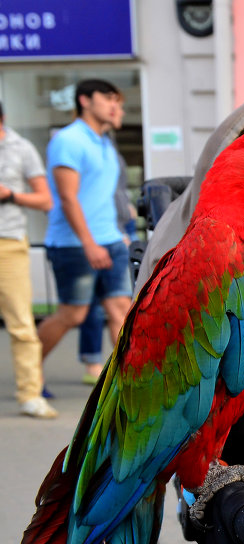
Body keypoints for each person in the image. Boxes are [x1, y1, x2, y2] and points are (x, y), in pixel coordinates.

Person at [37, 79, 132, 375]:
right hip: (74, 244)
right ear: (85, 100)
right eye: (107, 98)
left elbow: (107, 194)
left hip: (111, 240)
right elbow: (67, 197)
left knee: (122, 311)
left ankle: (126, 386)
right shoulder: (69, 140)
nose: (115, 105)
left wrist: (118, 235)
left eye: (118, 100)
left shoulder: (104, 142)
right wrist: (90, 243)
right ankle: (30, 371)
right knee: (73, 314)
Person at [0, 101, 58, 419]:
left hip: (8, 242)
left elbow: (44, 198)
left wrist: (9, 195)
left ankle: (30, 394)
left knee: (21, 323)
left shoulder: (21, 148)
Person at [77, 96, 137, 385]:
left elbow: (116, 191)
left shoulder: (106, 146)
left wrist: (125, 220)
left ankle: (122, 376)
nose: (119, 111)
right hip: (94, 236)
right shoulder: (75, 141)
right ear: (85, 101)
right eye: (112, 103)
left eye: (120, 106)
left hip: (116, 232)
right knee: (81, 310)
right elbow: (77, 197)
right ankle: (92, 361)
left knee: (118, 306)